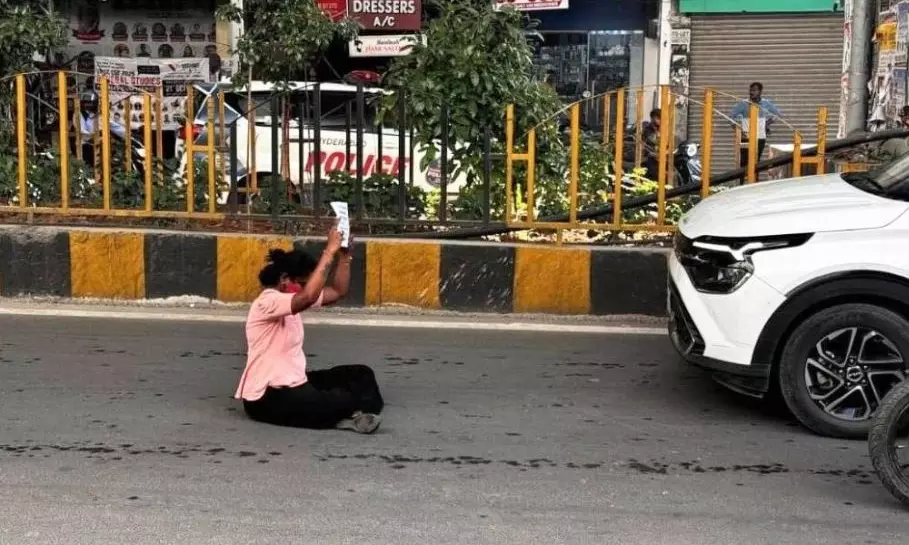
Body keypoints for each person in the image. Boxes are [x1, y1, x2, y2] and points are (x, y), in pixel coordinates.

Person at [235, 225, 384, 434]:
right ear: (284, 279)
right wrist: (329, 251)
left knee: (361, 375)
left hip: (297, 383)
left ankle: (354, 413)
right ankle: (349, 413)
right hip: (267, 397)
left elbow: (338, 291)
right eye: (303, 283)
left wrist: (344, 257)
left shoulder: (293, 299)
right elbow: (308, 296)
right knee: (341, 398)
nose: (307, 288)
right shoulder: (267, 302)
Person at [730, 82, 781, 181]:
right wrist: (738, 130)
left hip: (760, 137)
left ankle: (754, 183)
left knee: (755, 162)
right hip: (746, 138)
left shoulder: (766, 103)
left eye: (754, 90)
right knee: (744, 162)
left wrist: (767, 123)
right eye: (750, 90)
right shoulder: (743, 104)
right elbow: (731, 117)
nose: (751, 92)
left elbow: (777, 114)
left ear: (760, 92)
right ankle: (741, 183)